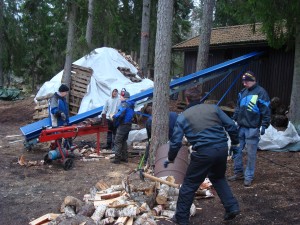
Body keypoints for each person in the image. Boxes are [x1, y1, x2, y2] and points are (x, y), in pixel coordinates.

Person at [164, 86, 240, 225]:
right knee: (218, 177)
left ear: (187, 100)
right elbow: (232, 126)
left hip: (204, 152)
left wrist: (170, 158)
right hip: (222, 149)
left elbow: (175, 142)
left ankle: (181, 218)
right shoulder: (214, 108)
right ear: (200, 98)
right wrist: (235, 143)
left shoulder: (183, 117)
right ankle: (232, 207)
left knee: (189, 185)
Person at [228, 71, 271, 187]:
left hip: (253, 128)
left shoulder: (261, 93)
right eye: (243, 81)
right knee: (237, 150)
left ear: (253, 80)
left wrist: (264, 125)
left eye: (246, 81)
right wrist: (234, 119)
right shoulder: (243, 92)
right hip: (240, 127)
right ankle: (238, 173)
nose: (244, 84)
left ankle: (248, 176)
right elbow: (238, 108)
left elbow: (266, 111)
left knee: (251, 154)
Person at [111, 89, 135, 164]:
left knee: (117, 141)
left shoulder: (124, 104)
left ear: (125, 97)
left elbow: (121, 114)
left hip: (123, 125)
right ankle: (124, 157)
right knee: (123, 141)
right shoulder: (131, 104)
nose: (120, 97)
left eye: (121, 96)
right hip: (128, 125)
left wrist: (114, 116)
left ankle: (117, 159)